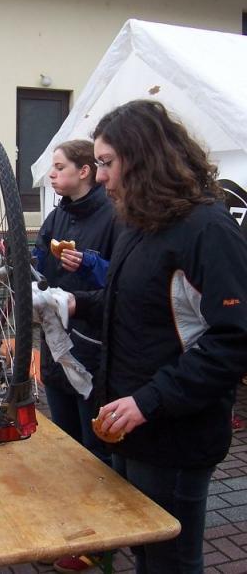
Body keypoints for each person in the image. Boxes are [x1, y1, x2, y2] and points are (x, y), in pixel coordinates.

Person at [69, 100, 247, 574]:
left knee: (171, 562)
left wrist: (149, 401)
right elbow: (126, 304)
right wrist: (73, 304)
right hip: (131, 423)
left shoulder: (208, 229)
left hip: (175, 433)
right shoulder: (137, 221)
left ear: (143, 157)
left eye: (107, 163)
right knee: (144, 553)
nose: (100, 175)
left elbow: (233, 339)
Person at [33, 140, 122, 573]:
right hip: (54, 352)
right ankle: (73, 527)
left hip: (92, 352)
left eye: (59, 166)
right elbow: (34, 265)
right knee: (66, 449)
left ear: (86, 171)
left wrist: (79, 283)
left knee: (94, 451)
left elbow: (118, 287)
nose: (51, 175)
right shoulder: (57, 215)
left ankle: (100, 540)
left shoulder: (113, 217)